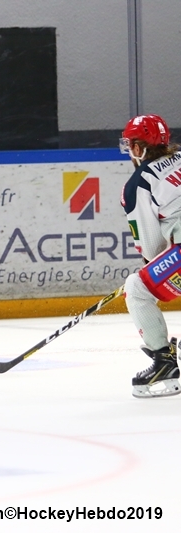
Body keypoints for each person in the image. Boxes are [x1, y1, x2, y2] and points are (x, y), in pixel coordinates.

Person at [120, 113, 181, 398]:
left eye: (131, 144)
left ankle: (164, 364)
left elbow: (151, 246)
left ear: (138, 147)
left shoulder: (139, 182)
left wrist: (150, 271)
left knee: (137, 287)